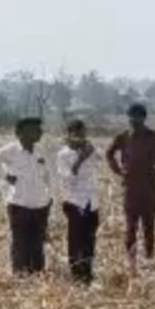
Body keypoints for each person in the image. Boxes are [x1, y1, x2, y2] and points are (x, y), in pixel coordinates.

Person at [0, 117, 54, 276]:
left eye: (40, 129)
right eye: (35, 129)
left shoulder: (41, 151)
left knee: (38, 242)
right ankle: (20, 275)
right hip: (19, 204)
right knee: (20, 242)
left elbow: (48, 175)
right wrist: (5, 175)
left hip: (40, 204)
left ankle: (38, 273)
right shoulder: (10, 150)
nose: (40, 132)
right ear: (20, 133)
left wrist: (49, 197)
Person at [106, 103, 155, 272]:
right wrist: (118, 170)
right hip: (131, 186)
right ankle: (131, 262)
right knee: (131, 226)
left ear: (144, 118)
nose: (134, 119)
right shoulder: (123, 137)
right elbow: (109, 153)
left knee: (149, 225)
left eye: (138, 116)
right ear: (128, 117)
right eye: (131, 116)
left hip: (149, 186)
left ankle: (149, 258)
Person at [57, 119, 101, 284]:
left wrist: (88, 150)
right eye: (76, 134)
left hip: (91, 201)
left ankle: (88, 274)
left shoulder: (90, 150)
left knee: (90, 239)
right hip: (75, 201)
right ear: (68, 135)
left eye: (82, 133)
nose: (79, 137)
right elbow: (68, 179)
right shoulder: (63, 154)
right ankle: (76, 276)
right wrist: (80, 158)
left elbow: (102, 158)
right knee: (76, 240)